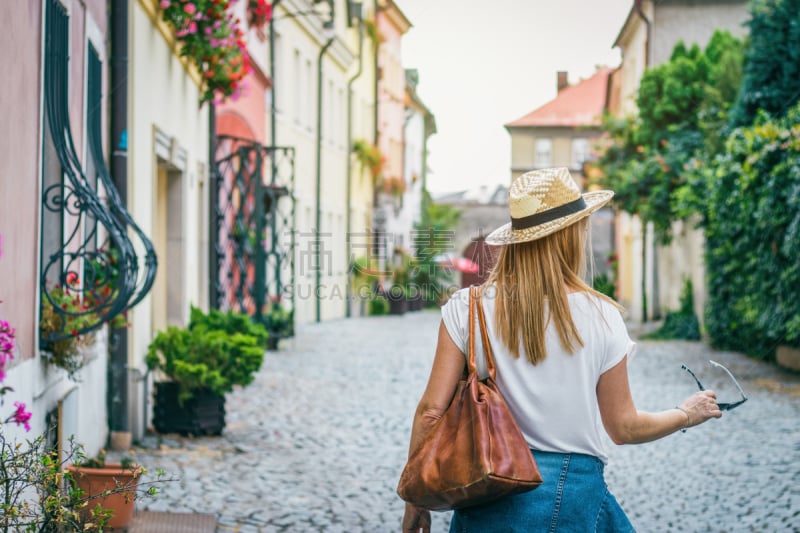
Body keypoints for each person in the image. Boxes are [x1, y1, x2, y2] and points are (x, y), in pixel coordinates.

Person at [401, 168, 722, 533]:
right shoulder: (602, 316)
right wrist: (686, 413)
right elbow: (623, 427)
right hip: (573, 496)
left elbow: (430, 412)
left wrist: (416, 499)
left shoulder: (467, 307)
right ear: (572, 235)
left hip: (487, 490)